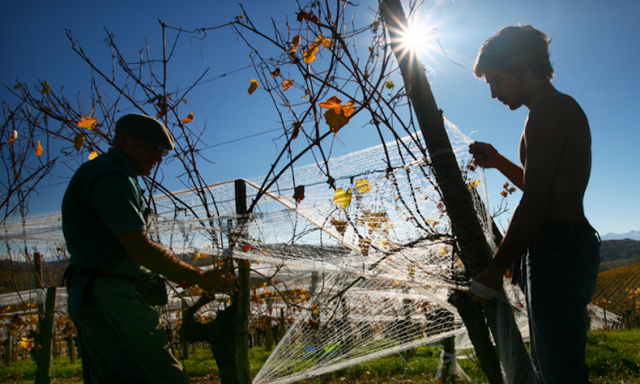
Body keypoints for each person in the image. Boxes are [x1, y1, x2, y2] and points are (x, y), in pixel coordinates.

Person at [467, 26, 600, 383]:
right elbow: (542, 185)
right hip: (560, 245)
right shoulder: (546, 113)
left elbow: (538, 200)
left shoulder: (549, 113)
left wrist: (497, 267)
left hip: (558, 247)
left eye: (495, 80)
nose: (493, 93)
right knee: (553, 364)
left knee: (560, 372)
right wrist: (499, 162)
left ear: (524, 65)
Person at [62, 113, 232, 384]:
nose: (158, 157)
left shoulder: (113, 174)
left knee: (115, 377)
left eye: (162, 151)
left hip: (95, 291)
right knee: (164, 375)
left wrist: (176, 273)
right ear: (124, 140)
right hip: (110, 294)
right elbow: (139, 248)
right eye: (151, 147)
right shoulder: (112, 178)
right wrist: (200, 277)